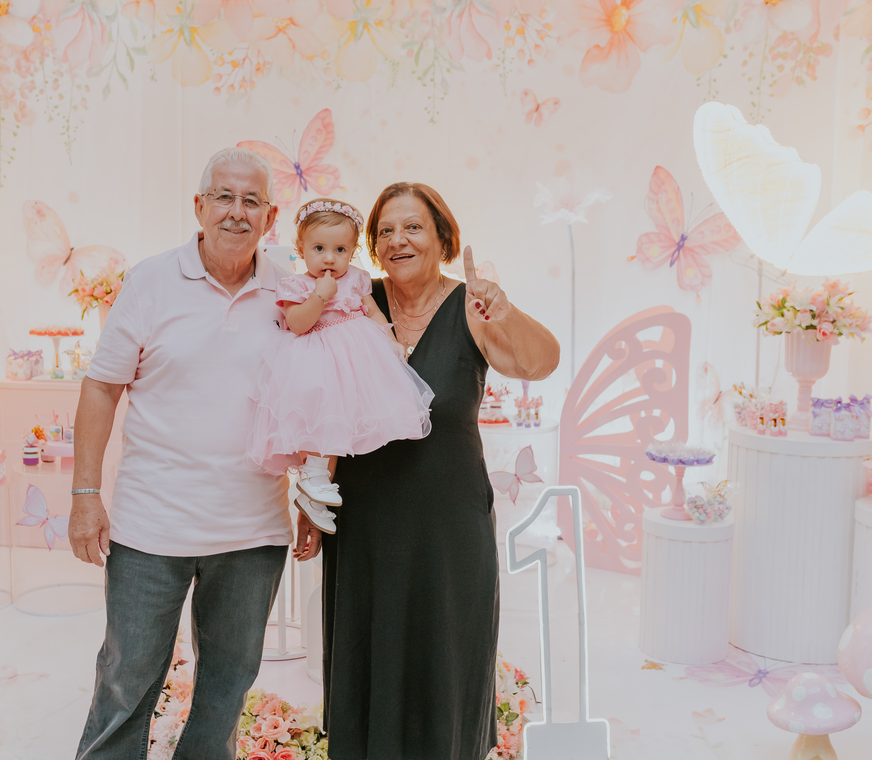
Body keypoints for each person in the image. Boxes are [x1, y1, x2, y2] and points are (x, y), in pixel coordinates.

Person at [295, 182, 560, 760]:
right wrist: (313, 501)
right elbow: (327, 406)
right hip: (365, 522)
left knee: (447, 661)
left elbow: (540, 362)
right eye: (385, 231)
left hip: (449, 527)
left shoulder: (471, 306)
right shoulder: (354, 301)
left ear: (443, 238)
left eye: (413, 227)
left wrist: (504, 310)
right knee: (367, 658)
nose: (398, 240)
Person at [70, 148, 294, 760]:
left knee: (226, 688)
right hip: (152, 527)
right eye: (224, 197)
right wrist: (85, 494)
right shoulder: (150, 281)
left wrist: (314, 495)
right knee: (127, 681)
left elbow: (319, 395)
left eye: (252, 201)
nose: (237, 212)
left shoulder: (293, 291)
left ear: (270, 216)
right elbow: (101, 387)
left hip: (253, 531)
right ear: (199, 206)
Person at [246, 197, 433, 534]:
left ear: (352, 251)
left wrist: (389, 340)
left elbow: (373, 312)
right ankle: (313, 477)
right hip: (313, 360)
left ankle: (316, 492)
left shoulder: (357, 279)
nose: (330, 258)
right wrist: (320, 294)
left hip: (353, 361)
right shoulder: (296, 285)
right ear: (301, 249)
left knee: (339, 424)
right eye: (319, 249)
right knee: (318, 418)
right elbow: (297, 324)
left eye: (340, 250)